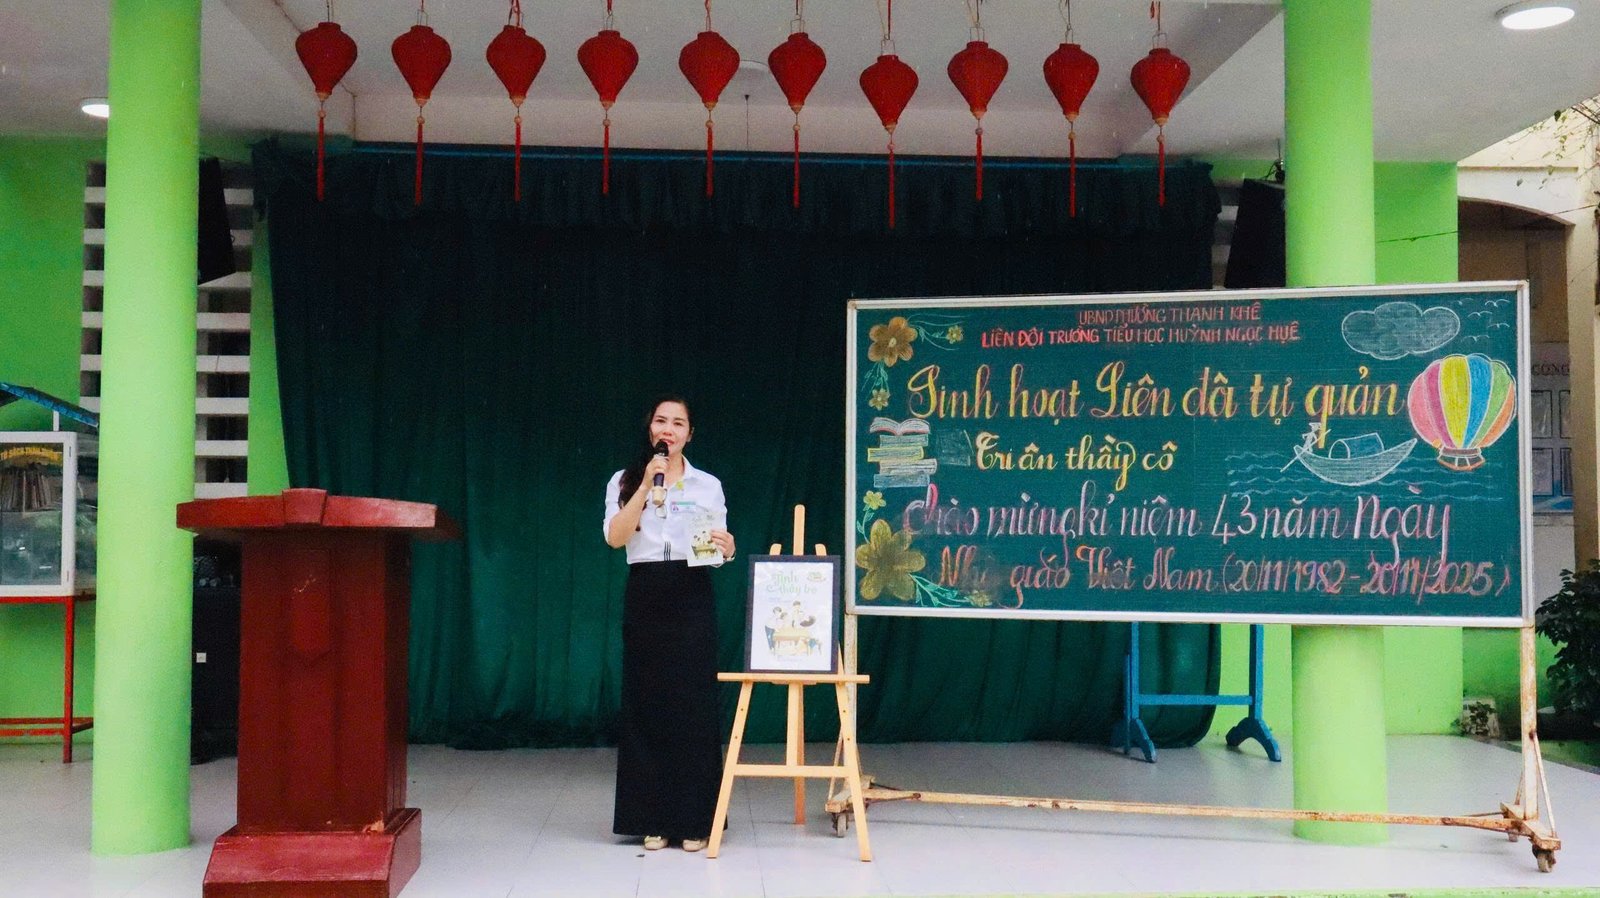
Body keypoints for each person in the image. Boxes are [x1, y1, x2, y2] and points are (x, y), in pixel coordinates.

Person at [603, 396, 736, 852]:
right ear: (651, 429)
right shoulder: (624, 480)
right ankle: (652, 818)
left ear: (689, 434)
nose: (669, 429)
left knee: (692, 703)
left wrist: (728, 549)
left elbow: (714, 550)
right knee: (646, 701)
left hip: (691, 591)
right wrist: (645, 485)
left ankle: (695, 820)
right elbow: (616, 537)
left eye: (678, 423)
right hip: (645, 591)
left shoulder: (707, 485)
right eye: (661, 421)